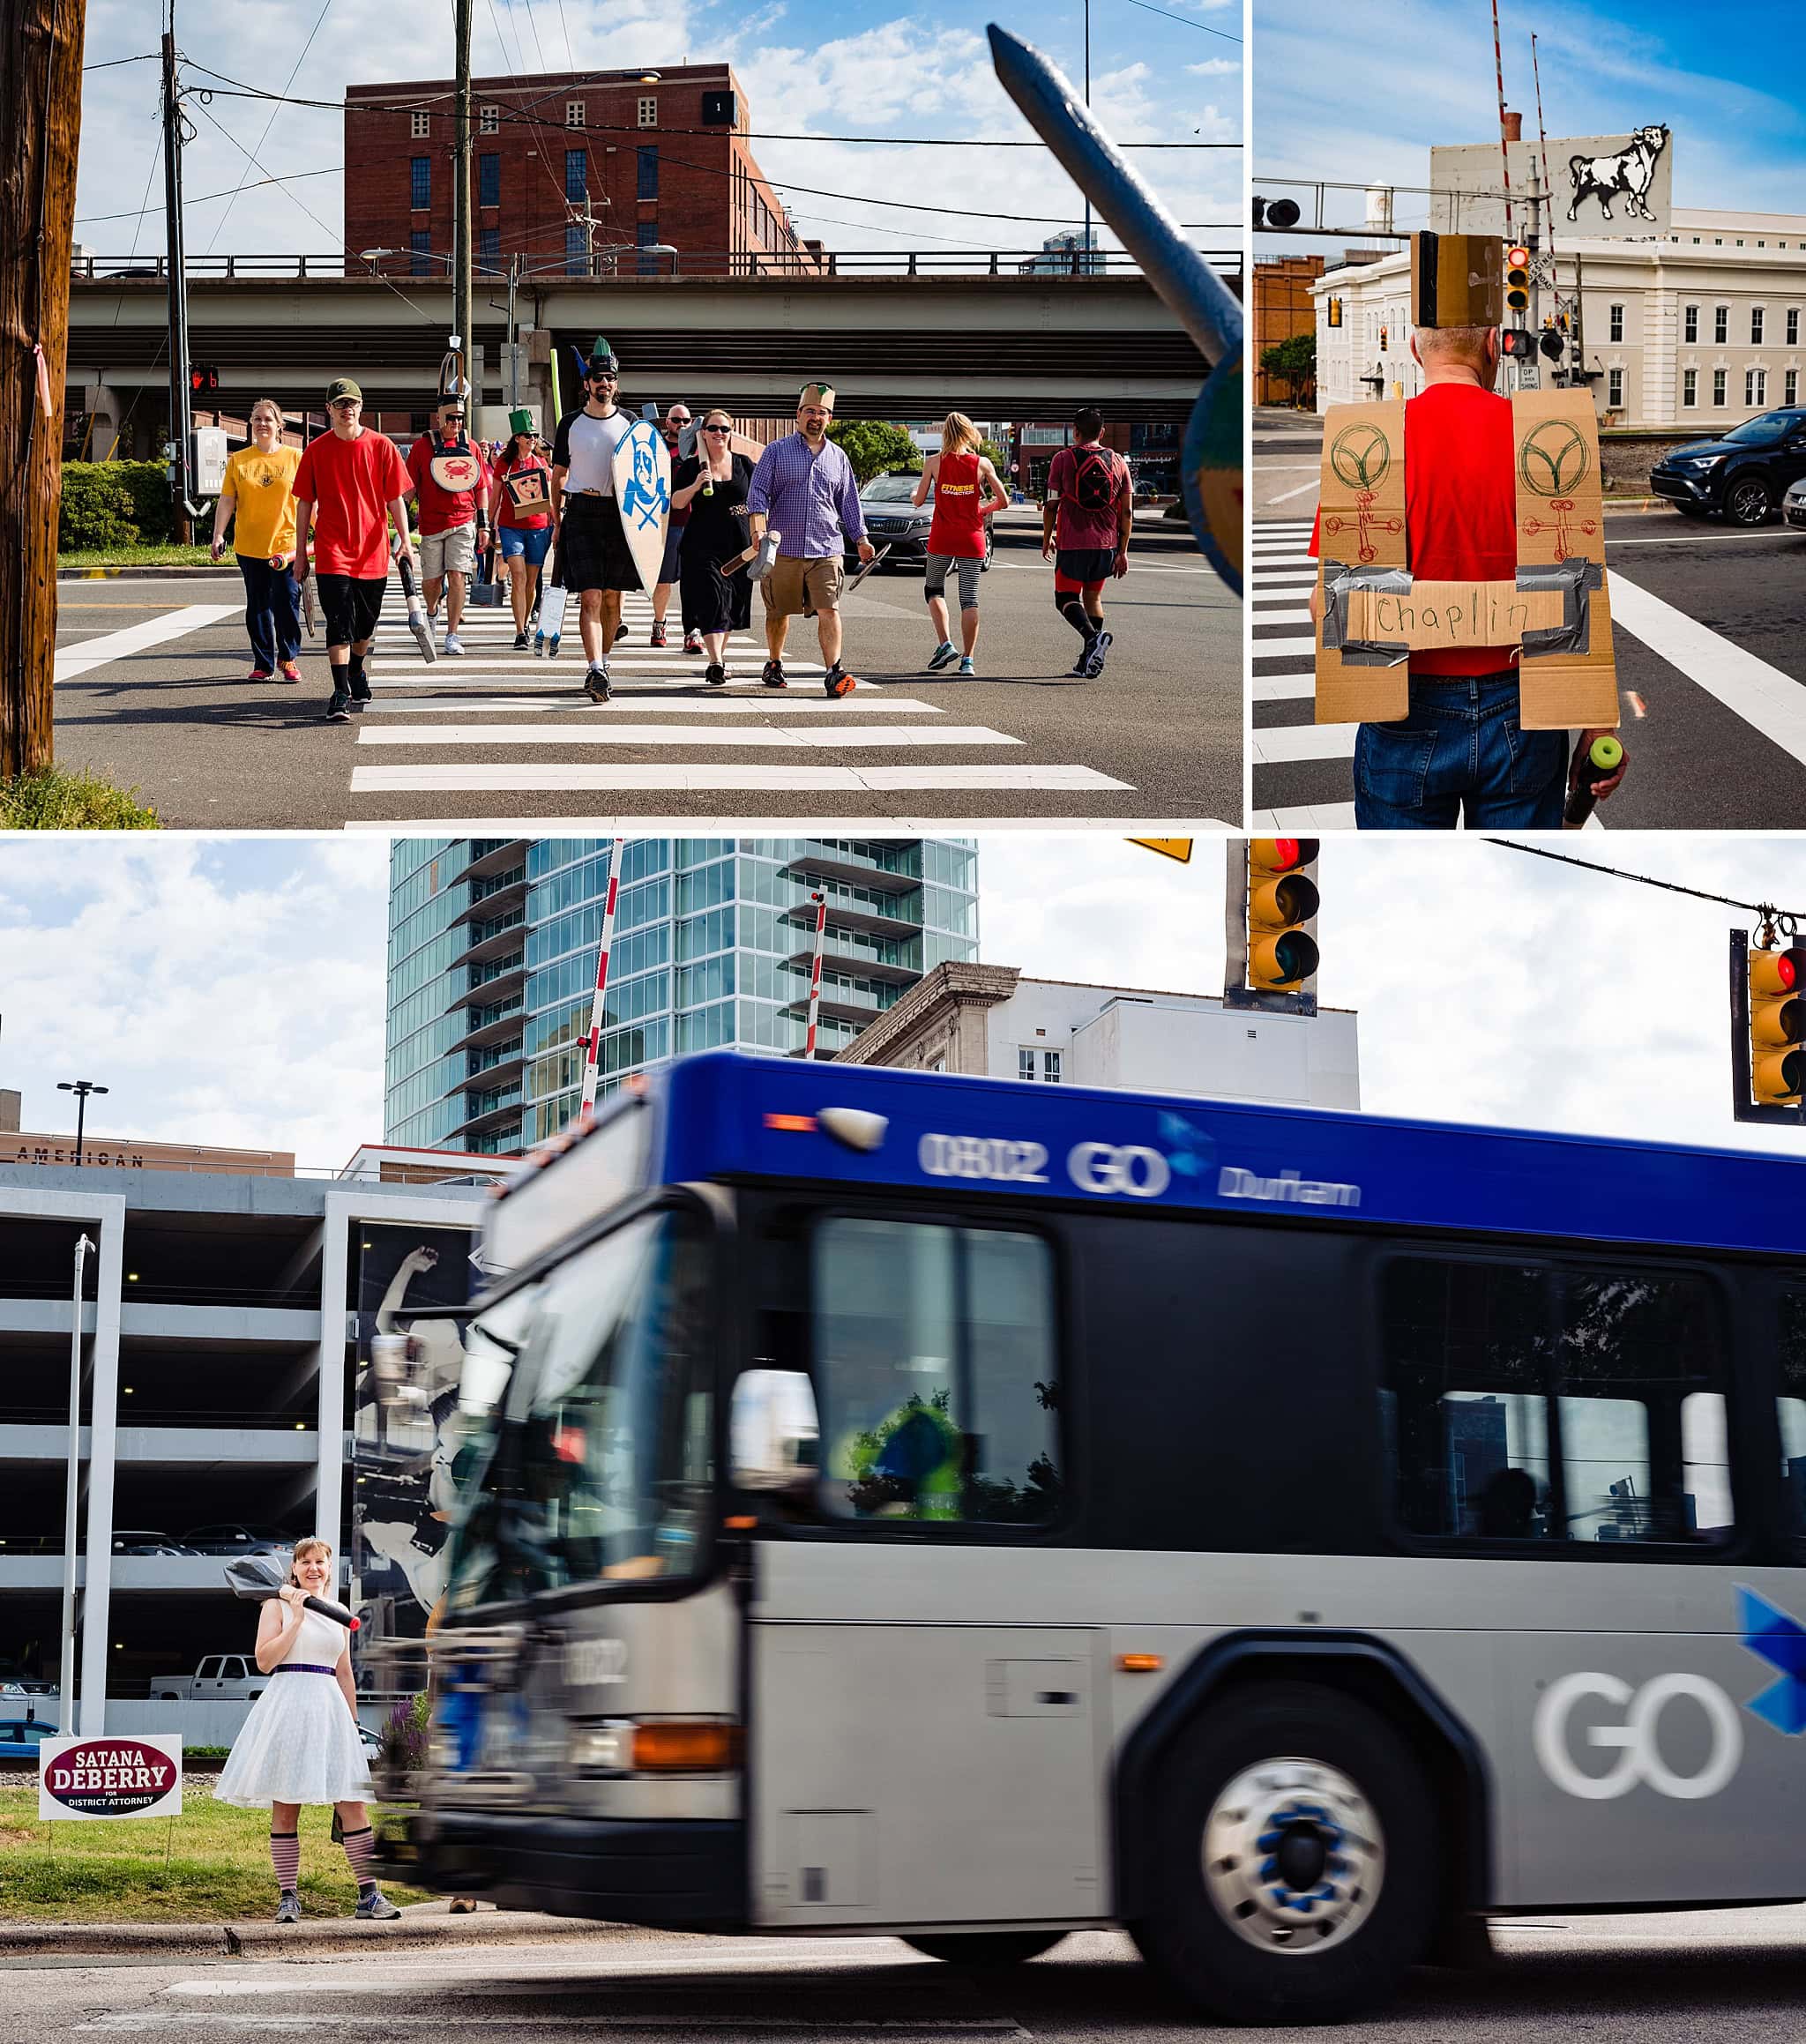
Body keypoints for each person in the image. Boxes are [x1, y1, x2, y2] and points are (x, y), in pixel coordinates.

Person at [1305, 323, 1626, 829]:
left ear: (1414, 349)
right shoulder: (1542, 434)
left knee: (1404, 892)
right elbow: (1582, 590)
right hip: (1523, 708)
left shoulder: (1369, 440)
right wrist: (1598, 723)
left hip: (1402, 702)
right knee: (1517, 879)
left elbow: (1327, 606)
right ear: (1493, 344)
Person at [214, 1536, 401, 1924]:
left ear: (330, 1568)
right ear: (294, 1570)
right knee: (286, 1805)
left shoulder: (338, 1611)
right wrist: (296, 1619)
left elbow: (344, 1671)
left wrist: (352, 1725)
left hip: (329, 1707)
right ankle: (288, 1898)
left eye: (320, 1562)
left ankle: (369, 1896)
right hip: (288, 1704)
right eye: (305, 1562)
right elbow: (265, 1661)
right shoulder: (275, 1604)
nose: (313, 1568)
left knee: (353, 1804)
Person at [292, 377, 417, 722]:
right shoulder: (316, 450)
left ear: (361, 408)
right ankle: (340, 691)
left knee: (365, 627)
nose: (347, 409)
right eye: (340, 404)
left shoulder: (382, 447)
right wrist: (301, 552)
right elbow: (304, 504)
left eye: (353, 403)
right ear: (329, 409)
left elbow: (395, 499)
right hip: (333, 550)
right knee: (339, 623)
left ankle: (357, 670)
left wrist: (405, 540)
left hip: (372, 551)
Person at [744, 382, 873, 697]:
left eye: (822, 413)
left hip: (826, 549)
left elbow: (849, 502)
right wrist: (758, 528)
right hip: (782, 549)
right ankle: (774, 663)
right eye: (810, 411)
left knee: (830, 609)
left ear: (830, 418)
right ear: (798, 415)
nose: (816, 417)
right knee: (777, 612)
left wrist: (861, 538)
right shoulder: (776, 451)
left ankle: (833, 672)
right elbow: (757, 492)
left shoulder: (838, 457)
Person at [549, 339, 641, 704]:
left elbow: (645, 475)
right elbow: (558, 475)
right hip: (582, 513)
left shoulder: (632, 423)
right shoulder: (570, 424)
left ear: (617, 384)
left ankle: (604, 660)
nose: (605, 384)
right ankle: (595, 669)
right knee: (590, 595)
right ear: (587, 382)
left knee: (613, 600)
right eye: (599, 378)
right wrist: (556, 519)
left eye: (611, 379)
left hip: (619, 515)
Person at [211, 398, 303, 683]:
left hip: (285, 546)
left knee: (287, 602)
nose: (262, 424)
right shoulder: (239, 460)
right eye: (257, 419)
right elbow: (227, 501)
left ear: (280, 426)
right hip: (249, 546)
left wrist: (322, 533)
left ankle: (288, 658)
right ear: (252, 424)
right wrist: (218, 534)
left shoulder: (295, 457)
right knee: (258, 605)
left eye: (268, 419)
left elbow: (307, 501)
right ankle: (263, 663)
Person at [913, 413, 1009, 676]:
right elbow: (1004, 501)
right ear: (968, 433)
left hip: (943, 537)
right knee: (969, 599)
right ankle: (968, 660)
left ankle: (945, 643)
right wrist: (981, 510)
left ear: (946, 434)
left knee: (934, 589)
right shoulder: (982, 464)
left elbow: (919, 500)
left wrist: (913, 494)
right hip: (972, 536)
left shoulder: (933, 463)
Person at [1041, 406, 1132, 679]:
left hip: (1073, 542)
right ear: (1102, 432)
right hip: (1107, 544)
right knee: (1092, 597)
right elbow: (1126, 511)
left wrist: (1047, 539)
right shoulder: (1119, 461)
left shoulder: (1062, 459)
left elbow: (1051, 504)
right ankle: (1086, 662)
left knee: (1065, 599)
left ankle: (1092, 640)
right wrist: (1123, 551)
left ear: (1075, 431)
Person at [671, 409, 757, 686]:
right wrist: (696, 485)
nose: (719, 434)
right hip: (702, 546)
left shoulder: (745, 465)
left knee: (732, 605)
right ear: (704, 433)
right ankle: (715, 661)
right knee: (712, 599)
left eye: (724, 429)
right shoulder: (692, 466)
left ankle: (719, 657)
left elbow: (759, 504)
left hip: (739, 547)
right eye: (713, 429)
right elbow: (676, 503)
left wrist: (761, 533)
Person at [405, 394, 491, 657]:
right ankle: (432, 612)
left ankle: (452, 633)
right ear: (440, 417)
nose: (456, 423)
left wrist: (484, 524)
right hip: (431, 524)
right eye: (451, 418)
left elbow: (480, 487)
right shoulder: (422, 447)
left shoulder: (471, 446)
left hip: (463, 520)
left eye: (460, 419)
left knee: (458, 575)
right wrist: (402, 522)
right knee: (432, 581)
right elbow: (409, 487)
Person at [493, 409, 554, 652]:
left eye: (535, 435)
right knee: (517, 575)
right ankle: (519, 631)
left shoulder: (541, 463)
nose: (533, 439)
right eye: (528, 435)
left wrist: (557, 522)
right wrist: (488, 525)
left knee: (530, 582)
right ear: (517, 437)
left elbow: (549, 497)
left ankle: (526, 622)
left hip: (539, 528)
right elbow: (495, 496)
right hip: (511, 527)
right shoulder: (504, 463)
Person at [651, 402, 700, 653]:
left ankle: (692, 631)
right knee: (664, 580)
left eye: (686, 421)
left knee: (694, 581)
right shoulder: (656, 449)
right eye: (676, 420)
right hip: (665, 523)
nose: (681, 425)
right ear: (667, 422)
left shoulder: (698, 450)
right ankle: (659, 624)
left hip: (694, 522)